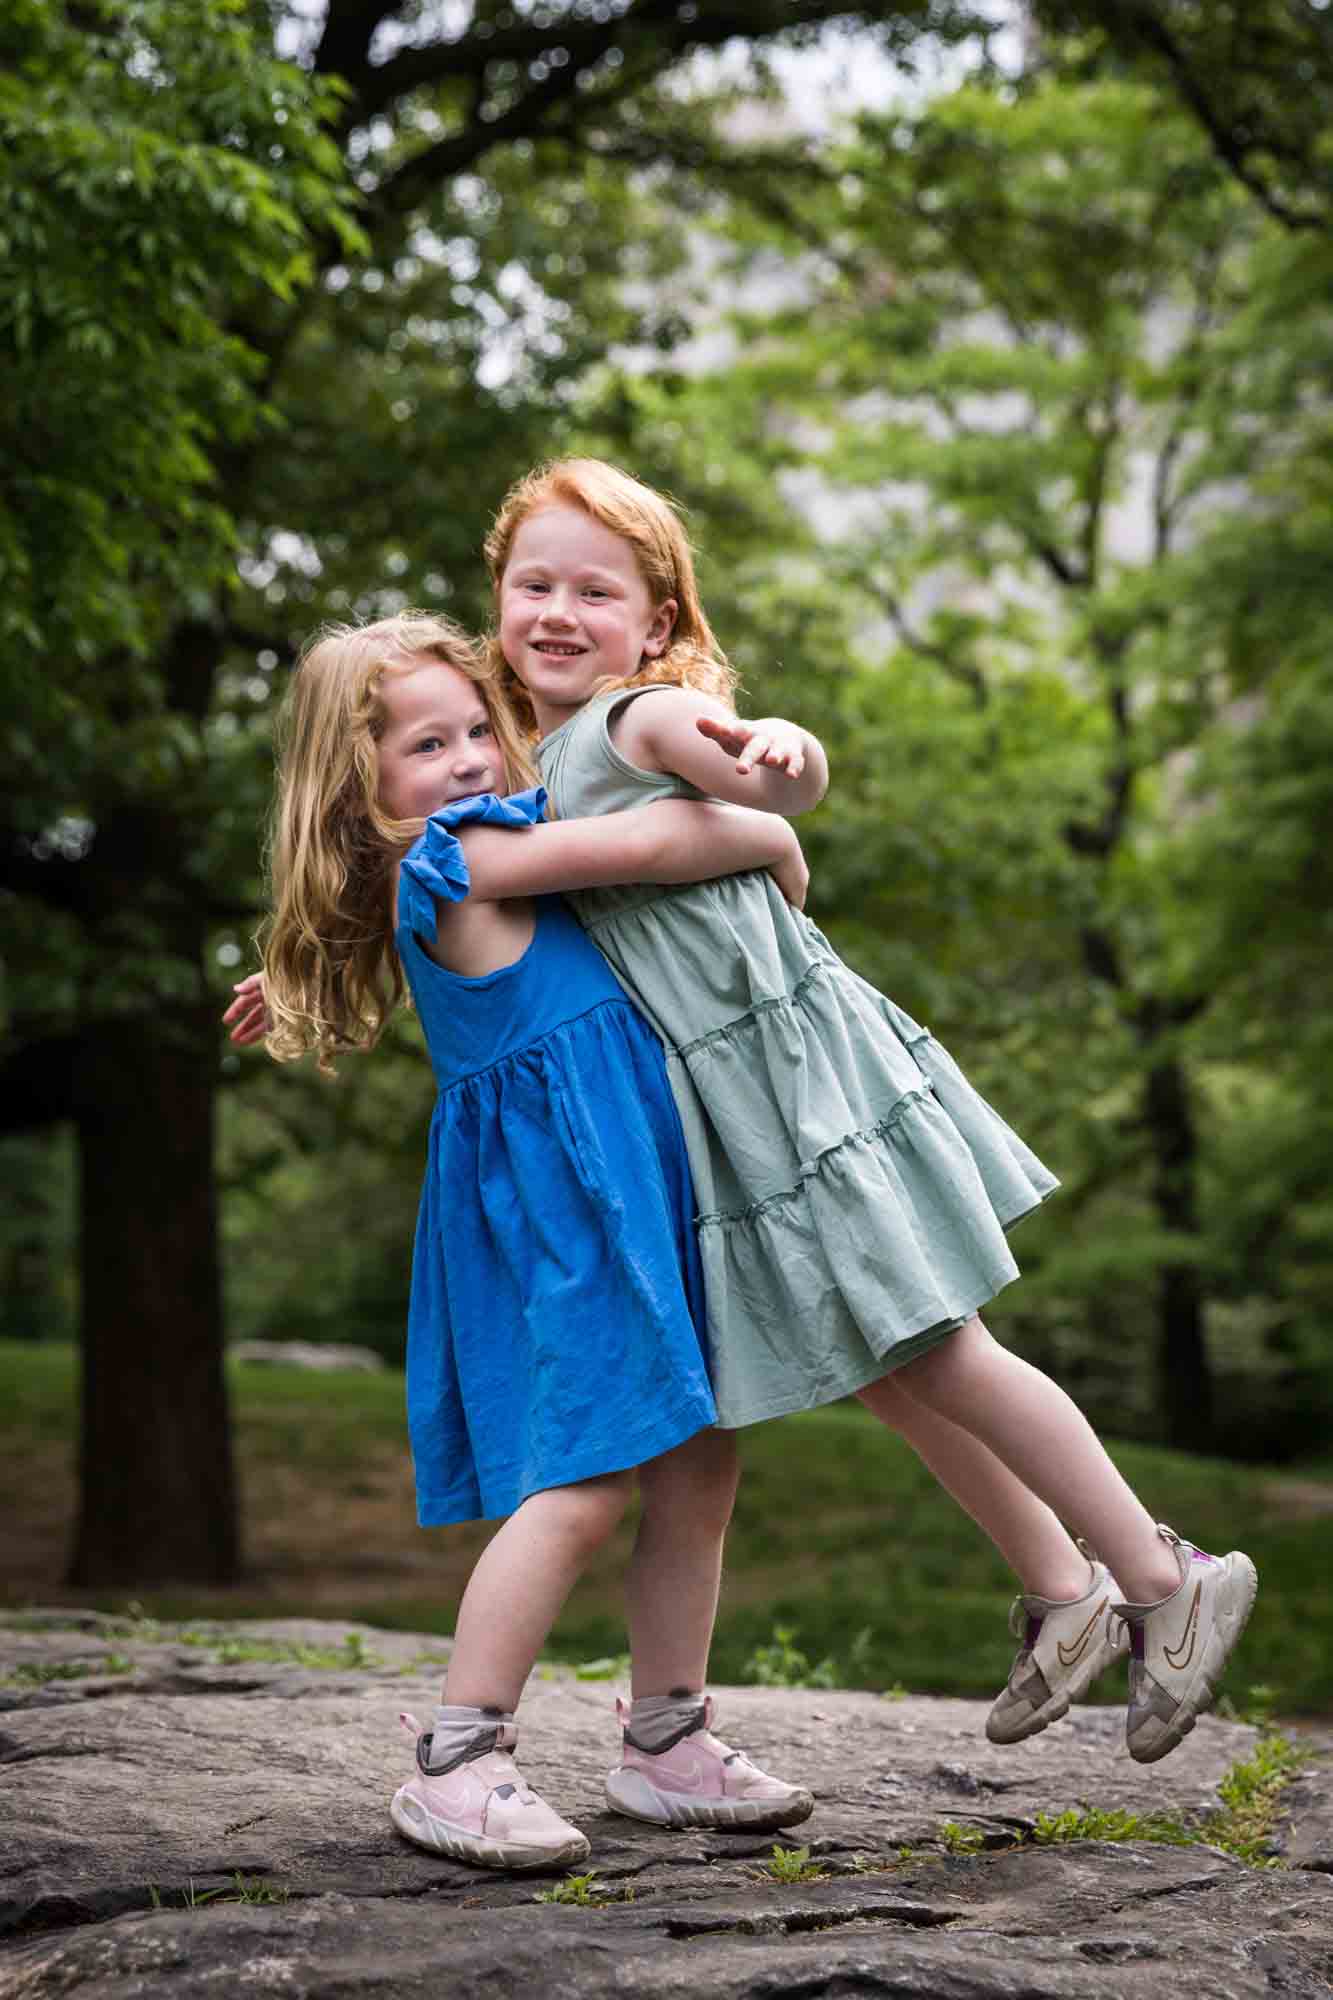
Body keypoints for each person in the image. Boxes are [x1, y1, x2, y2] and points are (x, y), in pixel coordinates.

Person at [481, 456, 1258, 1766]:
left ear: (655, 623)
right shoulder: (533, 765)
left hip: (787, 1089)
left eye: (594, 590)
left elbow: (764, 773)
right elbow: (455, 890)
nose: (557, 609)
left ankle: (1160, 1578)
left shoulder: (632, 722)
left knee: (938, 1349)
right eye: (531, 582)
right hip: (735, 1108)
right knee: (891, 1370)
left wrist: (781, 763)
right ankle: (1065, 1597)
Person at [241, 610, 816, 1870]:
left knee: (702, 1453)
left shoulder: (458, 852)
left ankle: (666, 1737)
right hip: (565, 1196)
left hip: (623, 1175)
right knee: (591, 1472)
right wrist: (771, 831)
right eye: (422, 743)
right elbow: (664, 840)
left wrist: (309, 953)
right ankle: (458, 1754)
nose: (463, 759)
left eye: (473, 731)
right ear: (362, 786)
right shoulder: (470, 850)